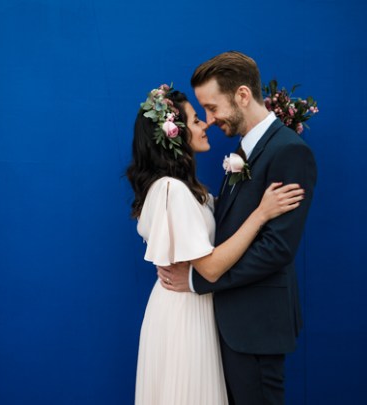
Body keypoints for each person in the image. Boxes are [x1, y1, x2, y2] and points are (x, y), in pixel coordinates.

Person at [127, 84, 306, 405]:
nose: (206, 123)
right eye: (196, 120)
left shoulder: (190, 190)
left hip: (198, 306)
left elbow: (224, 216)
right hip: (184, 311)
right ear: (174, 134)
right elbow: (208, 266)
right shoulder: (172, 190)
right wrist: (262, 213)